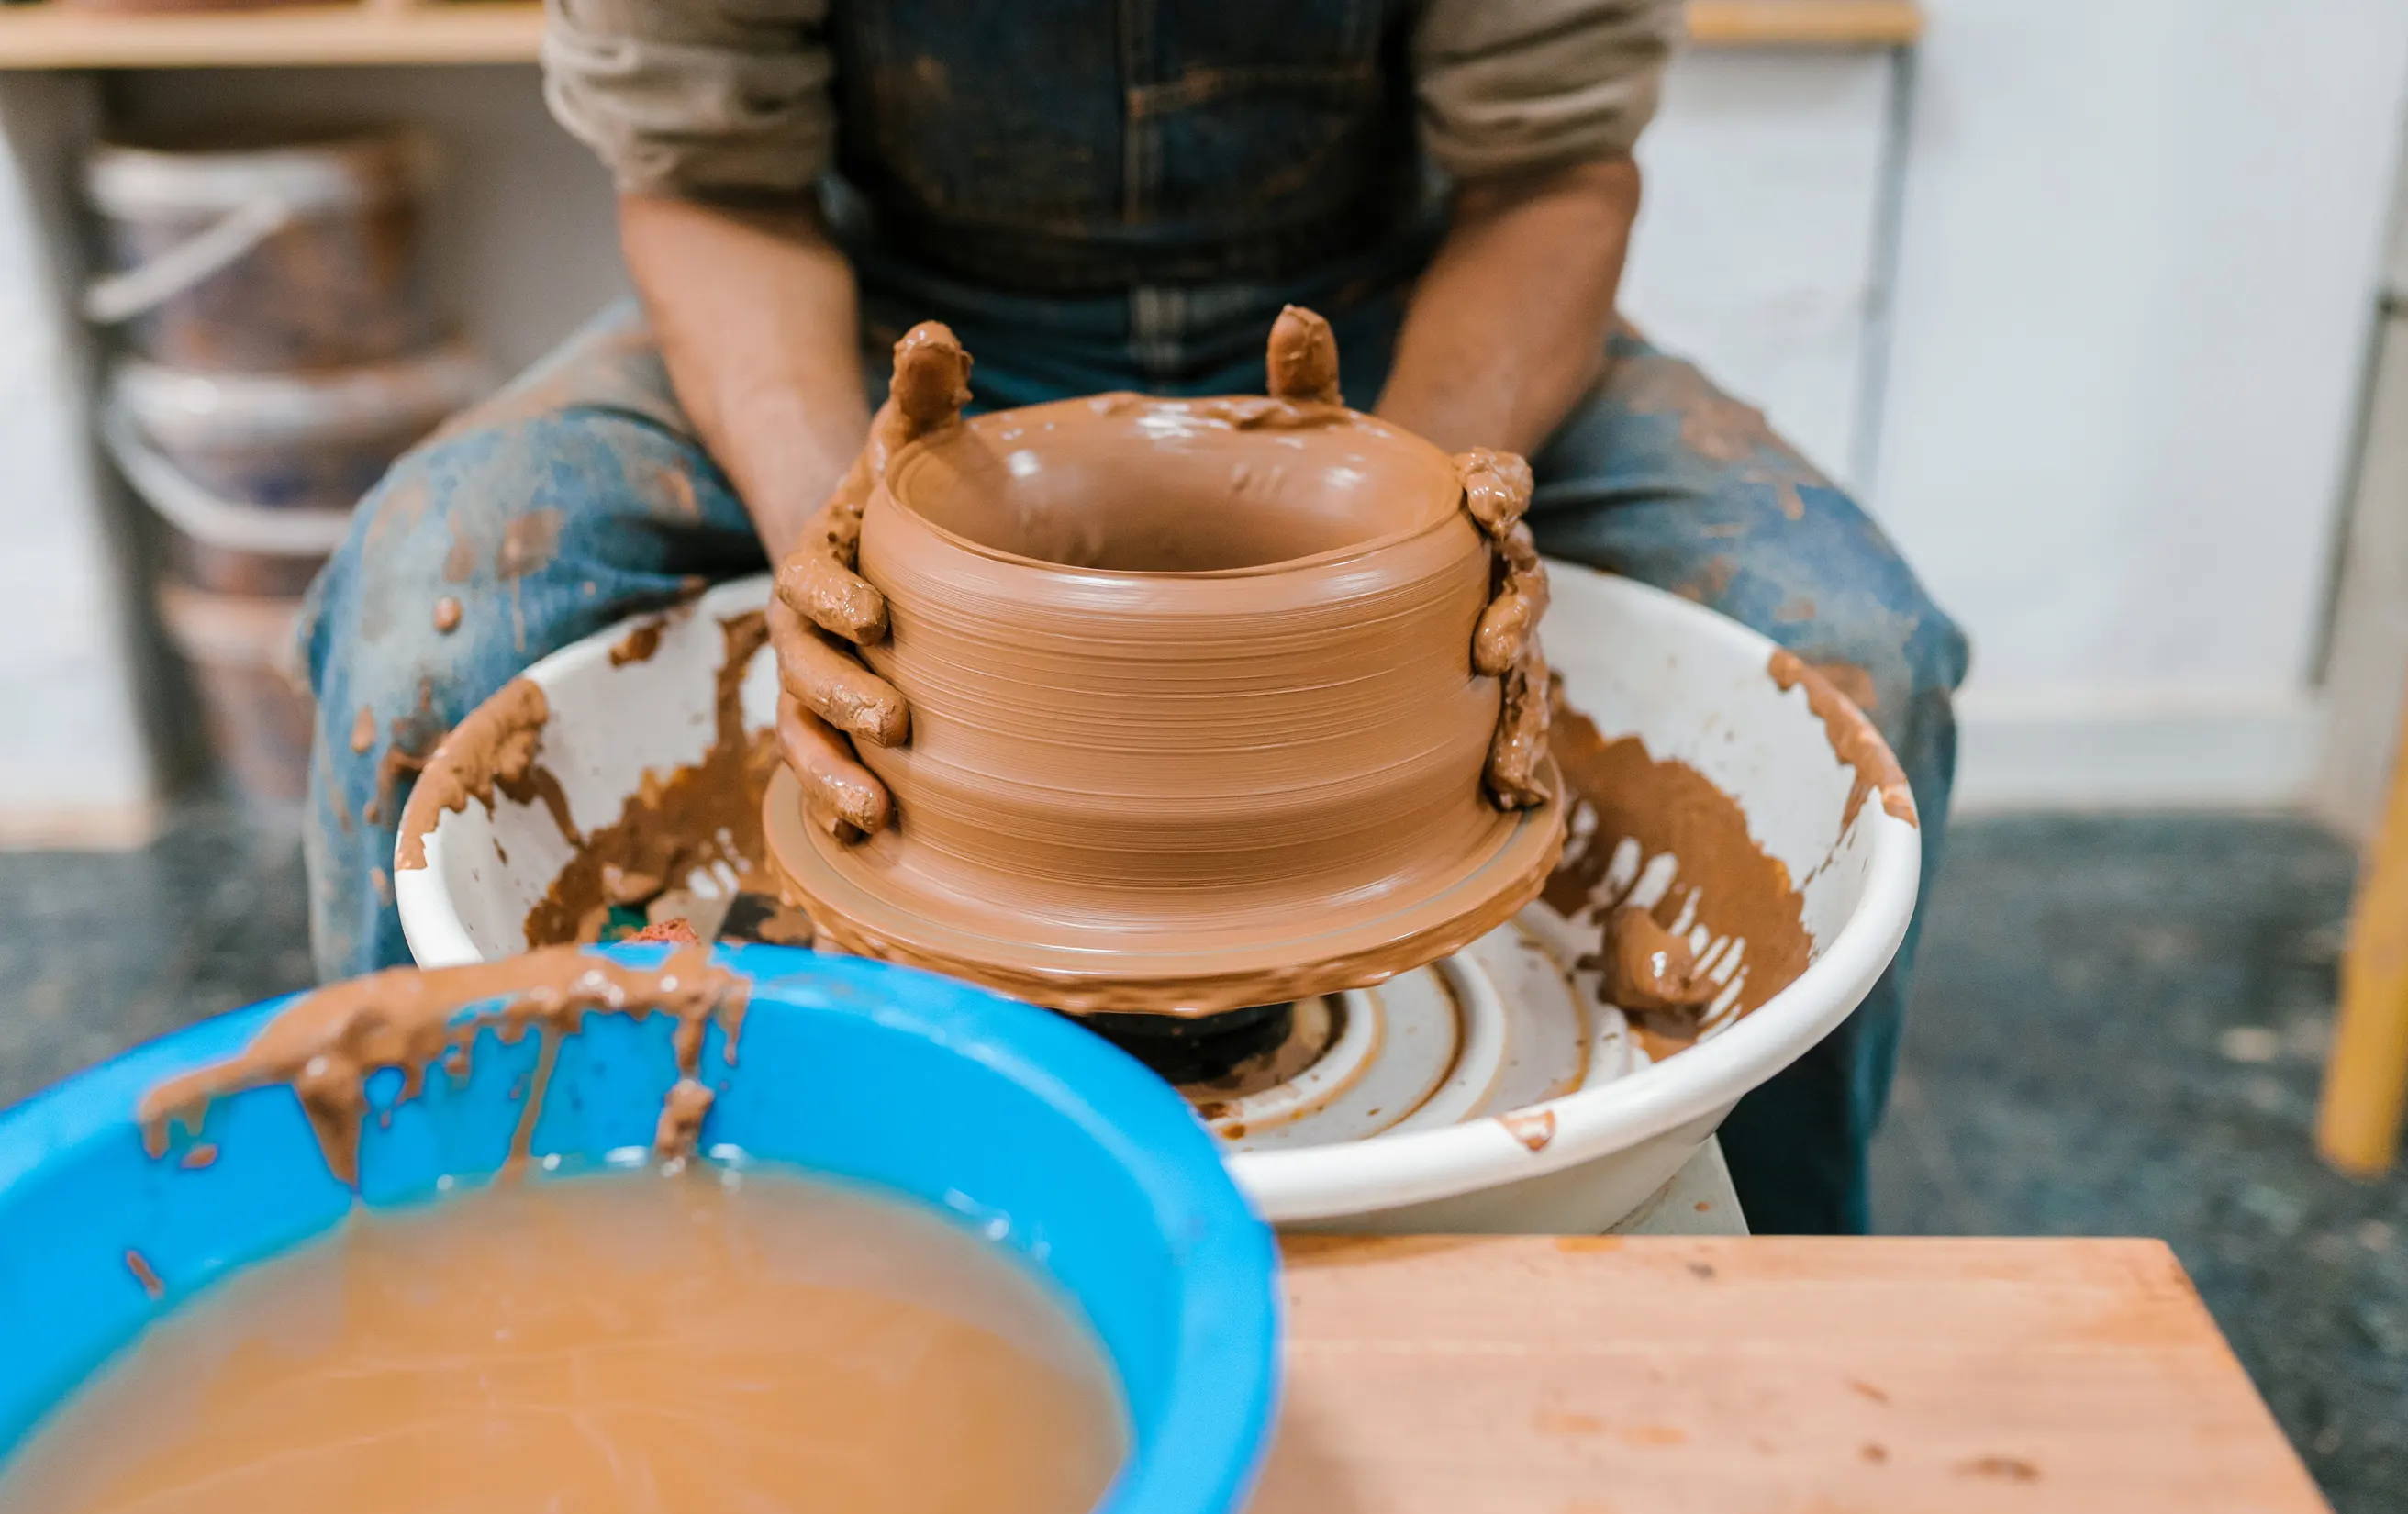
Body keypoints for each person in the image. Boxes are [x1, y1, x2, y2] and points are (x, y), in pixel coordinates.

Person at [297, 0, 1968, 1231]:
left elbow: (1553, 169)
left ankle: (1780, 1306)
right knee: (435, 627)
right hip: (884, 316)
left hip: (1378, 314)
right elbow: (709, 177)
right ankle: (462, 1265)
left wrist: (1419, 514)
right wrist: (845, 532)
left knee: (1847, 642)